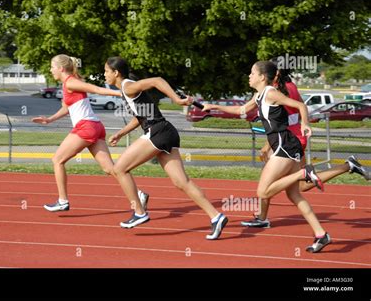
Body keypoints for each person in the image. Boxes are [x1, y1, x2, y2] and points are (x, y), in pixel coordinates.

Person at [203, 60, 332, 252]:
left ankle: (303, 174)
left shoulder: (271, 93)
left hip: (285, 146)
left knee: (263, 193)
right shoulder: (259, 95)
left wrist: (305, 124)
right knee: (294, 194)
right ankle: (321, 235)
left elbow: (300, 106)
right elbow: (241, 111)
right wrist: (213, 106)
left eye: (252, 73)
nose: (249, 76)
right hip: (286, 146)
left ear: (262, 77)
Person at [104, 56, 228, 240]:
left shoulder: (128, 86)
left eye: (106, 71)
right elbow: (141, 116)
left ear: (116, 73)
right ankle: (216, 216)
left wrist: (177, 100)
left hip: (157, 132)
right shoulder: (127, 90)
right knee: (181, 182)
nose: (104, 75)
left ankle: (139, 211)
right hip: (165, 131)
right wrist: (121, 133)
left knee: (119, 169)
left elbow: (157, 80)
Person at [247, 66, 369, 229]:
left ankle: (262, 217)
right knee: (297, 186)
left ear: (273, 74)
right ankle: (347, 166)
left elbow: (284, 120)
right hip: (293, 137)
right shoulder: (289, 87)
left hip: (290, 140)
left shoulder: (277, 91)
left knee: (276, 182)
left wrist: (267, 145)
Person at [32, 54, 149, 212]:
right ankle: (139, 195)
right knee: (110, 169)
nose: (50, 70)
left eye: (52, 67)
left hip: (85, 127)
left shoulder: (71, 82)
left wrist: (122, 93)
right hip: (95, 127)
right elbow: (67, 108)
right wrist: (49, 119)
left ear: (60, 68)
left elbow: (96, 89)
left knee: (57, 160)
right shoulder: (69, 83)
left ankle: (62, 201)